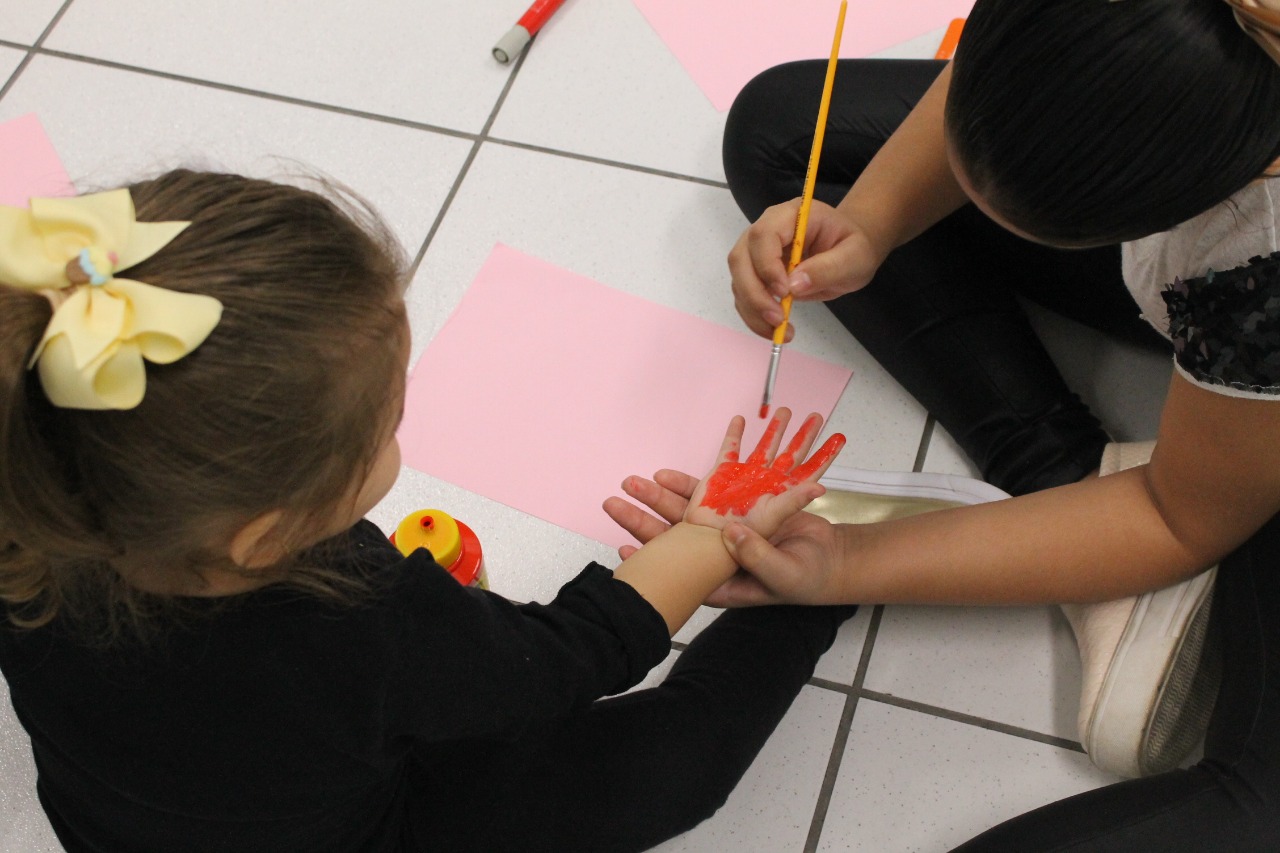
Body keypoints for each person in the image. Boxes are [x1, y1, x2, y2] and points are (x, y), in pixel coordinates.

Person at [0, 169, 852, 853]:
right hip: (366, 830)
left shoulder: (29, 501)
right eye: (388, 421)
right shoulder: (355, 618)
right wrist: (707, 540)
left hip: (123, 823)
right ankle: (829, 584)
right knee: (676, 768)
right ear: (267, 535)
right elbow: (565, 659)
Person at [612, 0, 1280, 848]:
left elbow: (1176, 516)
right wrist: (870, 221)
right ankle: (1065, 478)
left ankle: (1117, 506)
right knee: (783, 137)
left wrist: (852, 559)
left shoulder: (1260, 270)